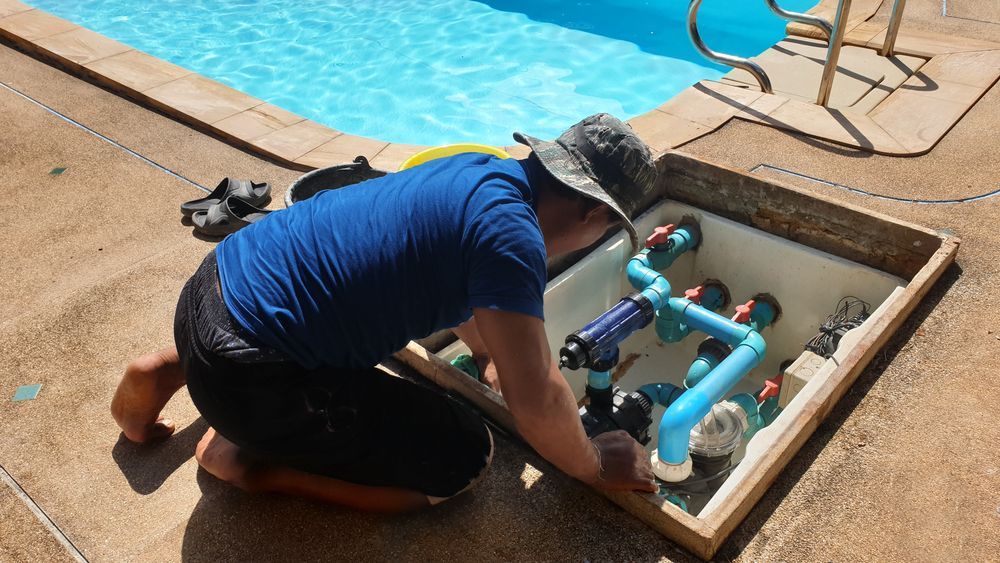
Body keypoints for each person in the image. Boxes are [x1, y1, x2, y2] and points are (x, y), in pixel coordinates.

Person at [111, 113, 660, 513]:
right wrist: (593, 463)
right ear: (594, 213)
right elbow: (538, 400)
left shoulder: (479, 171)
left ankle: (162, 369)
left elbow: (465, 291)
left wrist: (488, 354)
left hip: (212, 286)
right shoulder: (513, 241)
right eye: (608, 228)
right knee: (462, 462)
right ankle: (250, 465)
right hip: (251, 375)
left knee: (280, 314)